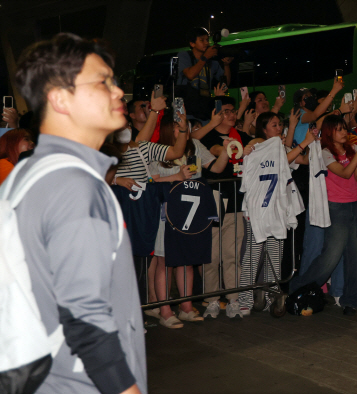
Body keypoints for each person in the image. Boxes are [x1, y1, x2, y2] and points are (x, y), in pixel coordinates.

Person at [12, 33, 145, 394]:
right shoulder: (74, 185)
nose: (118, 92)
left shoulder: (28, 173)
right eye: (102, 82)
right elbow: (85, 318)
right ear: (60, 99)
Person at [147, 110, 232, 328]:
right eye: (178, 127)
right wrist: (175, 176)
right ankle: (165, 310)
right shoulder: (157, 149)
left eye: (184, 126)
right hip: (166, 212)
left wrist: (226, 151)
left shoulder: (194, 145)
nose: (182, 131)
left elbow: (216, 167)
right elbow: (149, 179)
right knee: (164, 261)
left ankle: (186, 307)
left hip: (192, 213)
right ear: (168, 129)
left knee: (187, 259)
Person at [289, 115, 357, 315]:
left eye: (345, 128)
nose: (344, 132)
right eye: (339, 129)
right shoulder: (325, 152)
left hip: (356, 205)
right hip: (337, 208)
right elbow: (344, 173)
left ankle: (350, 300)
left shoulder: (350, 149)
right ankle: (297, 287)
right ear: (329, 132)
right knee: (331, 256)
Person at [238, 112, 314, 315]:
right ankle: (244, 297)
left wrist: (312, 144)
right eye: (274, 125)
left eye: (280, 125)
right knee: (253, 256)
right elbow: (260, 148)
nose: (279, 128)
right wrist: (304, 142)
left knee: (274, 256)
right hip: (257, 210)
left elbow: (301, 161)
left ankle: (271, 296)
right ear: (264, 128)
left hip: (277, 209)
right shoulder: (260, 143)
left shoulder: (281, 147)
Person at [196, 96, 253, 318]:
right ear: (215, 113)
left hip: (236, 202)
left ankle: (233, 299)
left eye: (232, 111)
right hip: (213, 201)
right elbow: (213, 148)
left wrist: (251, 143)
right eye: (226, 111)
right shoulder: (207, 136)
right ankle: (211, 299)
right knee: (211, 256)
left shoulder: (239, 135)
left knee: (232, 255)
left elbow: (257, 140)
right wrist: (231, 147)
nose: (231, 114)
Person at [176, 27, 233, 120]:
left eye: (207, 40)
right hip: (185, 108)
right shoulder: (184, 55)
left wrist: (226, 65)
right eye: (202, 40)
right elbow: (190, 75)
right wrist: (205, 57)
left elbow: (225, 84)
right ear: (192, 43)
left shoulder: (212, 61)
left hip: (204, 108)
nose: (206, 43)